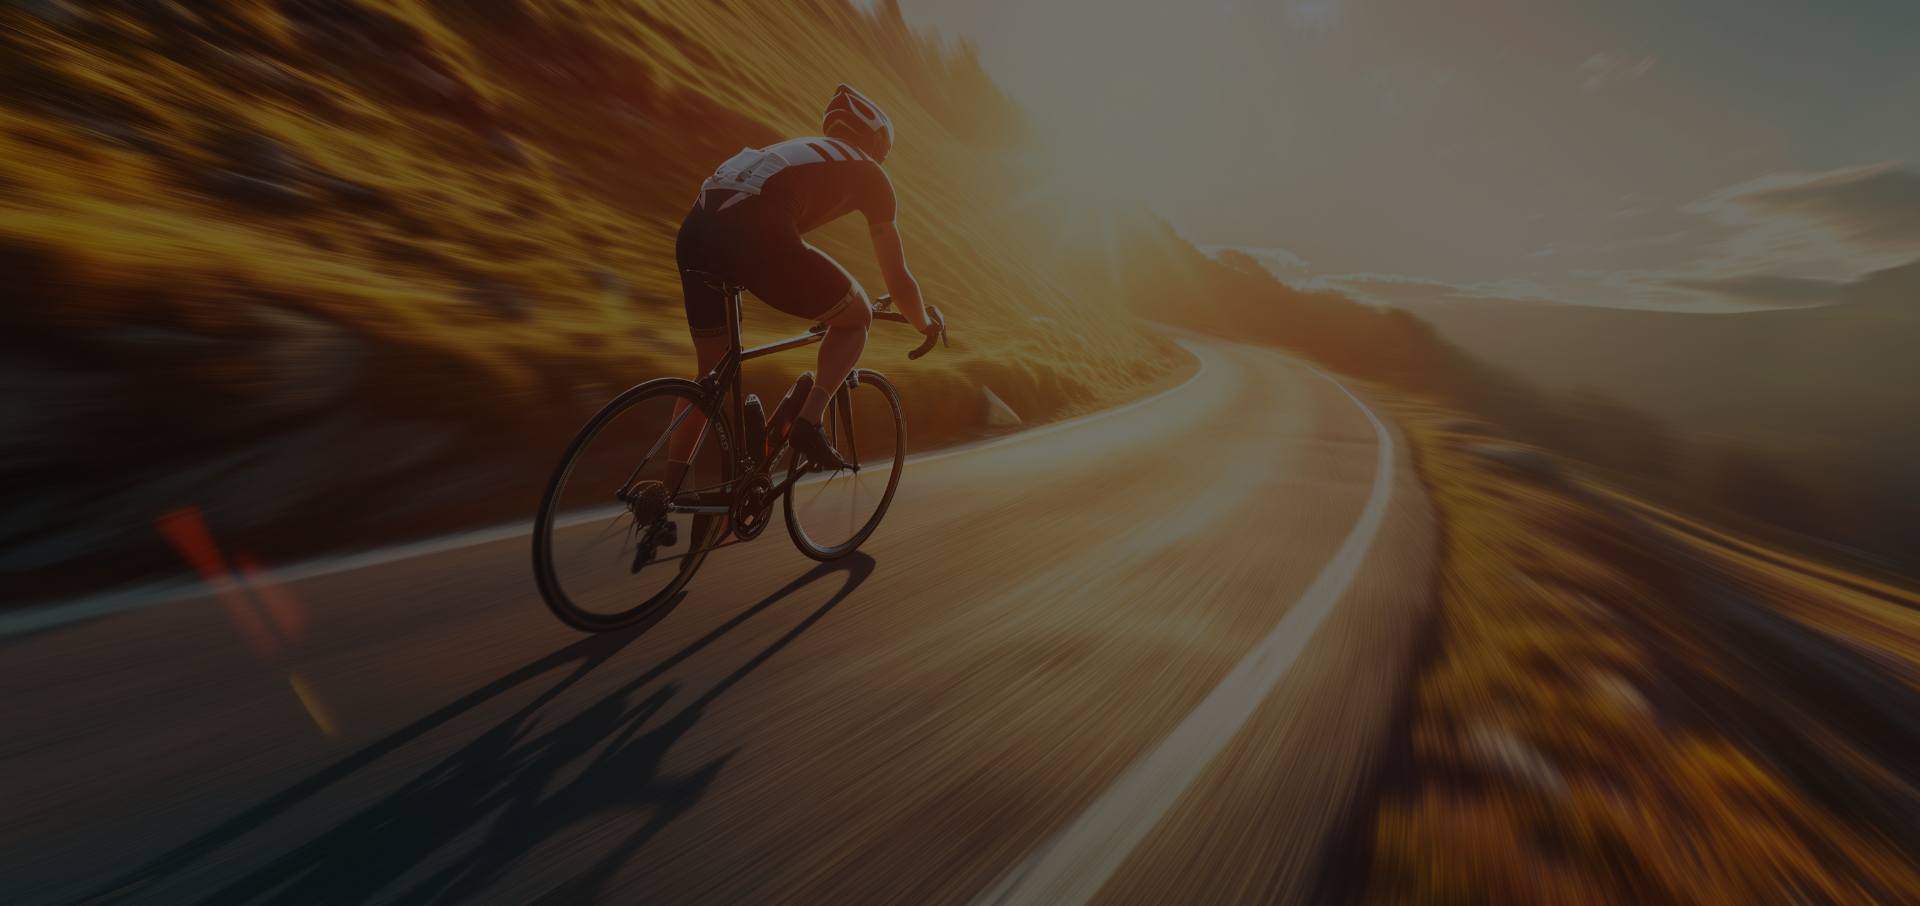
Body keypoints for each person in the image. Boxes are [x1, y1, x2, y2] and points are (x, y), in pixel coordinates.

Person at [666, 84, 940, 488]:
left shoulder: (797, 149)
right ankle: (809, 424)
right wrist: (925, 324)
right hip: (752, 225)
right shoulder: (872, 172)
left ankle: (666, 493)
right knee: (856, 316)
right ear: (877, 142)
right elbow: (897, 279)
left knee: (711, 371)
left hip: (696, 228)